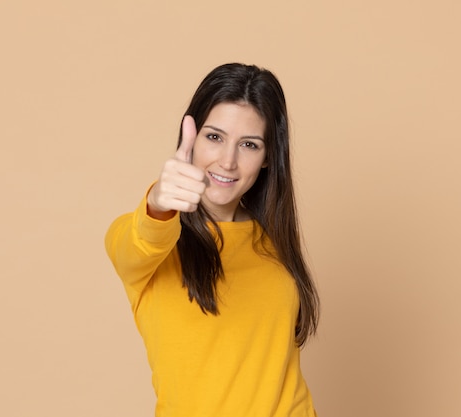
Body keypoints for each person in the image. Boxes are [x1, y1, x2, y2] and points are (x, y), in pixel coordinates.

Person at [105, 63, 320, 417]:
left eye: (249, 144)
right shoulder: (148, 241)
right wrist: (159, 203)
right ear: (192, 138)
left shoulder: (276, 240)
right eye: (215, 137)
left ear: (268, 158)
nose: (228, 161)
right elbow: (140, 243)